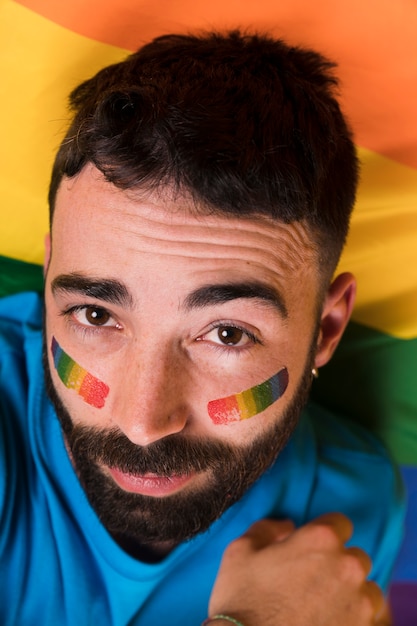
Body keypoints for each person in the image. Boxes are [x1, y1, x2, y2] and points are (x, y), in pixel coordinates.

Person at [0, 30, 403, 625]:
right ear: (50, 274)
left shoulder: (351, 511)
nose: (142, 422)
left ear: (327, 328)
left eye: (228, 334)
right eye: (95, 314)